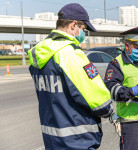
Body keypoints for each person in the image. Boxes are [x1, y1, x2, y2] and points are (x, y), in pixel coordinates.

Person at [28, 3, 113, 149]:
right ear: (74, 25)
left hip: (52, 139)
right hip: (78, 138)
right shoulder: (70, 54)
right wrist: (109, 110)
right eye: (83, 29)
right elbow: (96, 97)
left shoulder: (41, 54)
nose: (83, 34)